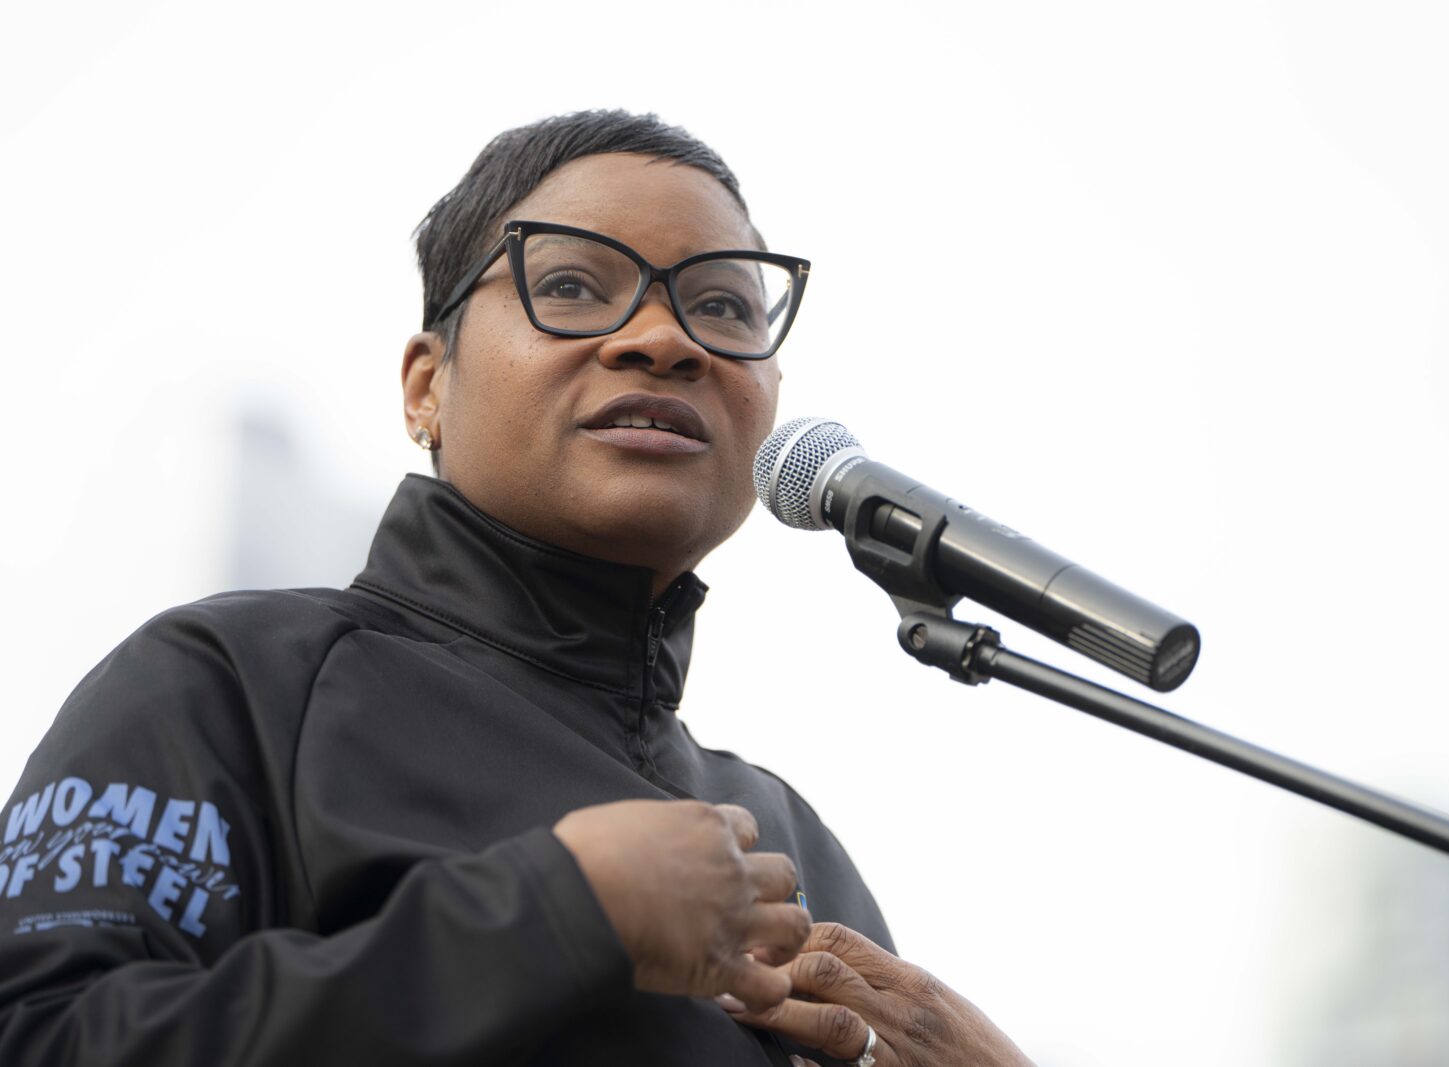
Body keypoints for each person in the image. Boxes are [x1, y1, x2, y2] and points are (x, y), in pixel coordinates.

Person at [0, 111, 1031, 1067]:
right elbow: (43, 1035)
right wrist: (553, 914)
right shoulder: (229, 686)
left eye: (722, 304)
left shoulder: (793, 840)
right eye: (576, 285)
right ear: (426, 384)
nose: (665, 339)